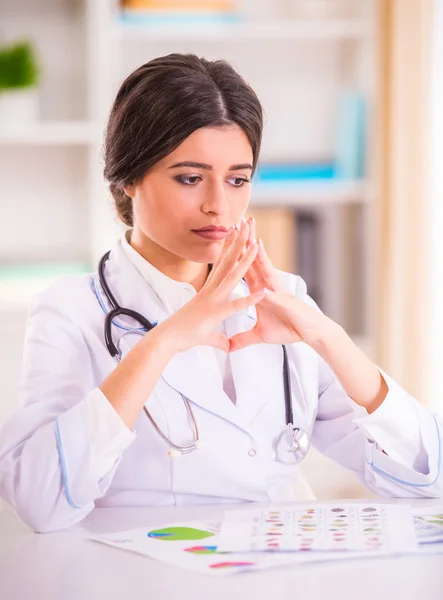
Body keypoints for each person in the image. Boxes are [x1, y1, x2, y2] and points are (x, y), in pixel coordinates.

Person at [0, 54, 441, 533]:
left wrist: (329, 339)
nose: (218, 205)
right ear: (127, 177)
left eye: (237, 179)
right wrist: (164, 340)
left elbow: (423, 475)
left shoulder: (282, 299)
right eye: (190, 178)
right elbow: (40, 502)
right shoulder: (71, 311)